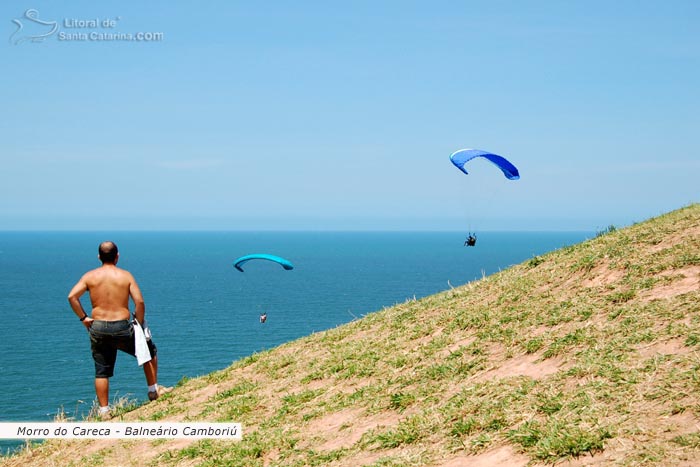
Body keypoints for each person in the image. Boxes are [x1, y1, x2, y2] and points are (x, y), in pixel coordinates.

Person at [68, 241, 170, 420]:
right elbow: (139, 302)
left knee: (101, 371)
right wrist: (138, 323)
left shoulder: (90, 276)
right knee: (148, 352)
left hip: (98, 327)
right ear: (117, 256)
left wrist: (84, 318)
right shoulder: (125, 276)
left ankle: (104, 411)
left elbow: (72, 296)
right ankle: (153, 390)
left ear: (99, 257)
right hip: (121, 326)